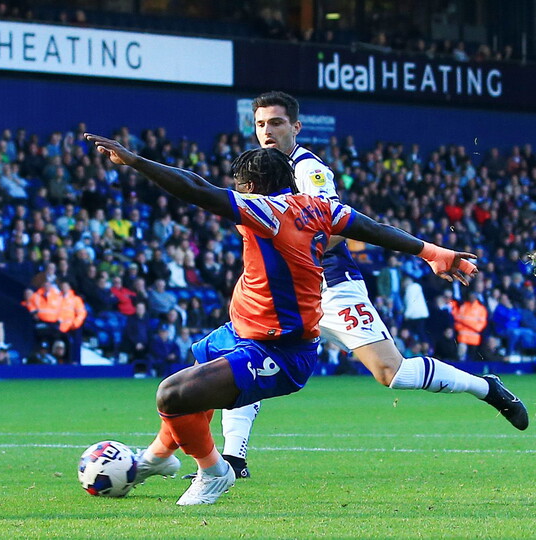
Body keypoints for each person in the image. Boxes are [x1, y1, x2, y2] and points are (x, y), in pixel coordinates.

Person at [86, 134, 514, 507]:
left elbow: (197, 189)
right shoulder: (318, 209)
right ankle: (159, 460)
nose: (234, 194)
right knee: (190, 386)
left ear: (250, 188)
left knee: (173, 394)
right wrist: (433, 252)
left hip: (280, 350)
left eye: (238, 188)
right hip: (243, 332)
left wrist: (137, 161)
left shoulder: (266, 213)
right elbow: (375, 228)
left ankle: (215, 472)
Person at [218, 91, 529, 480]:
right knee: (241, 357)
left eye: (277, 122)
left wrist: (288, 240)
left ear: (295, 127)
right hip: (282, 291)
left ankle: (485, 387)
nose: (267, 131)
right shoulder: (260, 173)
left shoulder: (308, 170)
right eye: (261, 124)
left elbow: (330, 228)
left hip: (328, 284)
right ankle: (232, 460)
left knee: (391, 372)